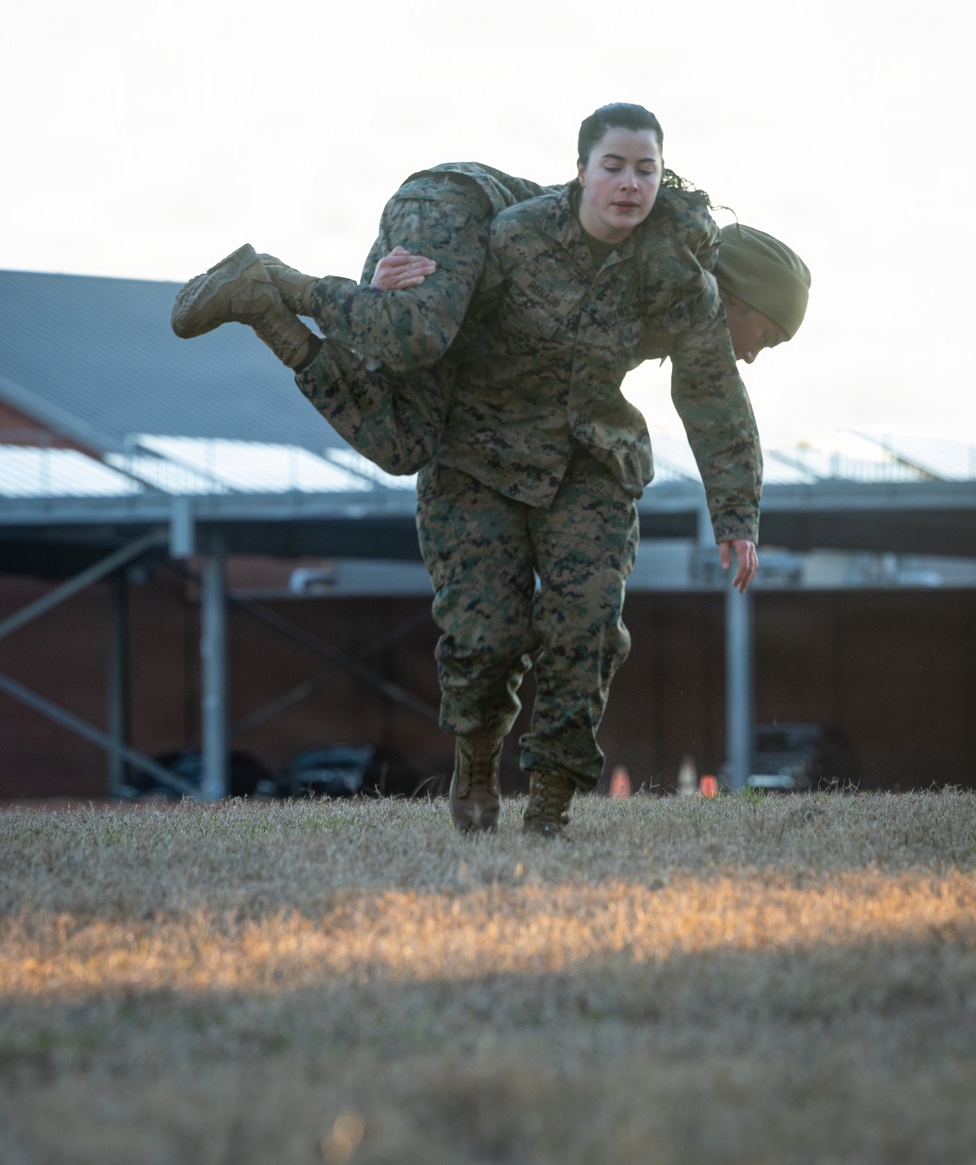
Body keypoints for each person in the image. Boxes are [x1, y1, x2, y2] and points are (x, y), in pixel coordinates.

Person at [172, 107, 810, 835]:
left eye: (644, 172)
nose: (757, 354)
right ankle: (273, 293)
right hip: (464, 350)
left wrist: (736, 513)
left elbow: (713, 396)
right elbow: (441, 319)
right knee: (465, 592)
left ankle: (550, 805)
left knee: (588, 625)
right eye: (766, 335)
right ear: (745, 299)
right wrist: (392, 297)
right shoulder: (524, 237)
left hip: (578, 458)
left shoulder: (675, 286)